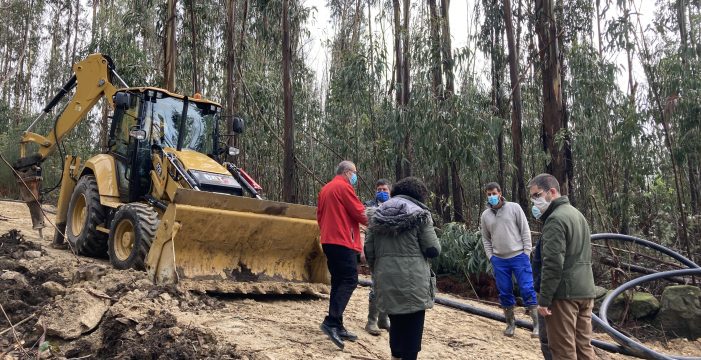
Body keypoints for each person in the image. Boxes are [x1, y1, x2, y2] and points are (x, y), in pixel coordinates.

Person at [365, 177, 441, 360]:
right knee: (413, 328)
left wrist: (379, 269)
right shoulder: (421, 214)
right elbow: (433, 249)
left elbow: (368, 250)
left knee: (396, 322)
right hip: (414, 280)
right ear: (419, 195)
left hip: (385, 277)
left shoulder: (377, 213)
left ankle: (395, 356)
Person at [528, 173, 596, 360]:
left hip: (563, 295)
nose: (535, 202)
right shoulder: (577, 215)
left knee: (563, 351)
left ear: (552, 191)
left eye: (537, 195)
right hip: (585, 291)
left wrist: (544, 300)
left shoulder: (555, 220)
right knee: (584, 348)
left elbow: (553, 264)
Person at [317, 160, 368, 350]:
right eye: (354, 173)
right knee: (349, 280)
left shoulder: (326, 189)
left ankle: (337, 324)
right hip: (342, 241)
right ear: (347, 172)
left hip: (329, 241)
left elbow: (319, 216)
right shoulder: (344, 187)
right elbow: (360, 213)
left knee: (338, 281)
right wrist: (380, 221)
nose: (355, 177)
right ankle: (331, 322)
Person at [479, 182, 538, 337]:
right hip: (499, 259)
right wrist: (491, 256)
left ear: (500, 193)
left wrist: (526, 251)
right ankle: (510, 325)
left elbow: (525, 230)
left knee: (527, 288)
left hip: (519, 256)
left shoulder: (514, 208)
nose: (491, 196)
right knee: (505, 291)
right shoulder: (485, 215)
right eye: (488, 194)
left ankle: (537, 325)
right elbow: (485, 238)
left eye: (493, 193)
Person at [362, 178, 392, 336]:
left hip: (390, 253)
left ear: (390, 191)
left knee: (389, 285)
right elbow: (364, 229)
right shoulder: (368, 206)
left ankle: (383, 318)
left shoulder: (396, 206)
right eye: (379, 189)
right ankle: (371, 321)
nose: (381, 192)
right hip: (375, 250)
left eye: (385, 190)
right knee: (376, 285)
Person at [532, 235, 553, 360]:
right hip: (580, 291)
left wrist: (544, 299)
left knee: (549, 339)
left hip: (552, 292)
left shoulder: (554, 225)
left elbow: (551, 264)